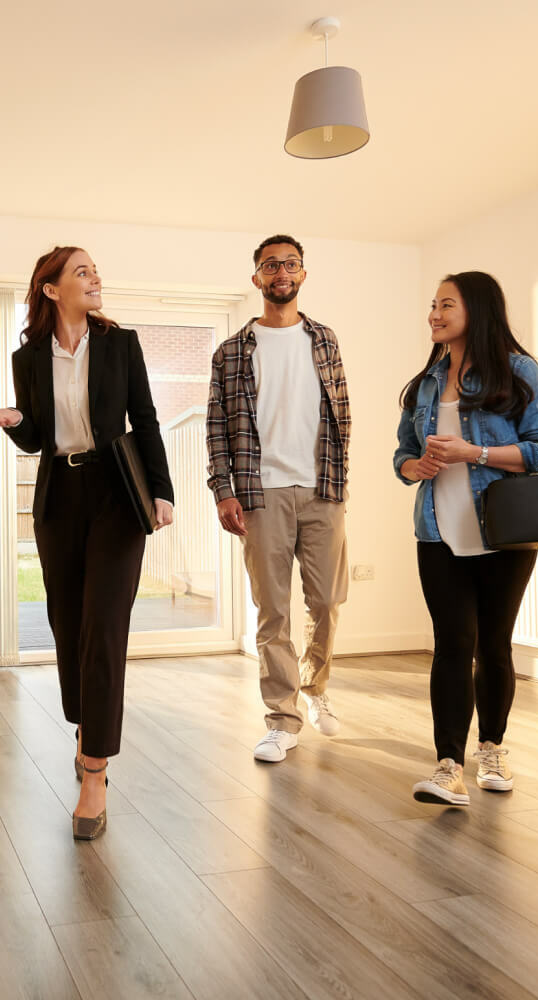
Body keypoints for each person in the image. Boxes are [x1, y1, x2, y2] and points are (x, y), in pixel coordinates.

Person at [0, 246, 173, 839]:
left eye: (95, 270)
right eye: (81, 271)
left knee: (105, 627)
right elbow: (38, 438)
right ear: (52, 289)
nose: (95, 278)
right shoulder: (29, 357)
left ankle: (95, 771)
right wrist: (17, 422)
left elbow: (146, 418)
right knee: (68, 623)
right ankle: (87, 726)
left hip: (118, 494)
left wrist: (160, 490)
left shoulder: (120, 343)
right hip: (60, 498)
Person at [394, 271, 538, 806]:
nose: (434, 313)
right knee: (451, 645)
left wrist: (476, 453)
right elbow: (401, 456)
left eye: (446, 304)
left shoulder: (518, 371)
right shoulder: (426, 382)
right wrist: (415, 465)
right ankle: (448, 765)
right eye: (433, 304)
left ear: (479, 310)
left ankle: (491, 749)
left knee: (493, 647)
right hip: (437, 531)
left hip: (504, 531)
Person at [207, 235, 352, 763]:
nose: (282, 272)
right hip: (259, 492)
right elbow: (217, 428)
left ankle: (314, 688)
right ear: (257, 279)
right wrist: (224, 490)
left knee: (328, 603)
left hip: (322, 491)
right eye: (271, 265)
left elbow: (342, 414)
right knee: (273, 612)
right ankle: (282, 718)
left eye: (291, 264)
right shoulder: (231, 352)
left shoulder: (325, 340)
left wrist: (337, 481)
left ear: (303, 274)